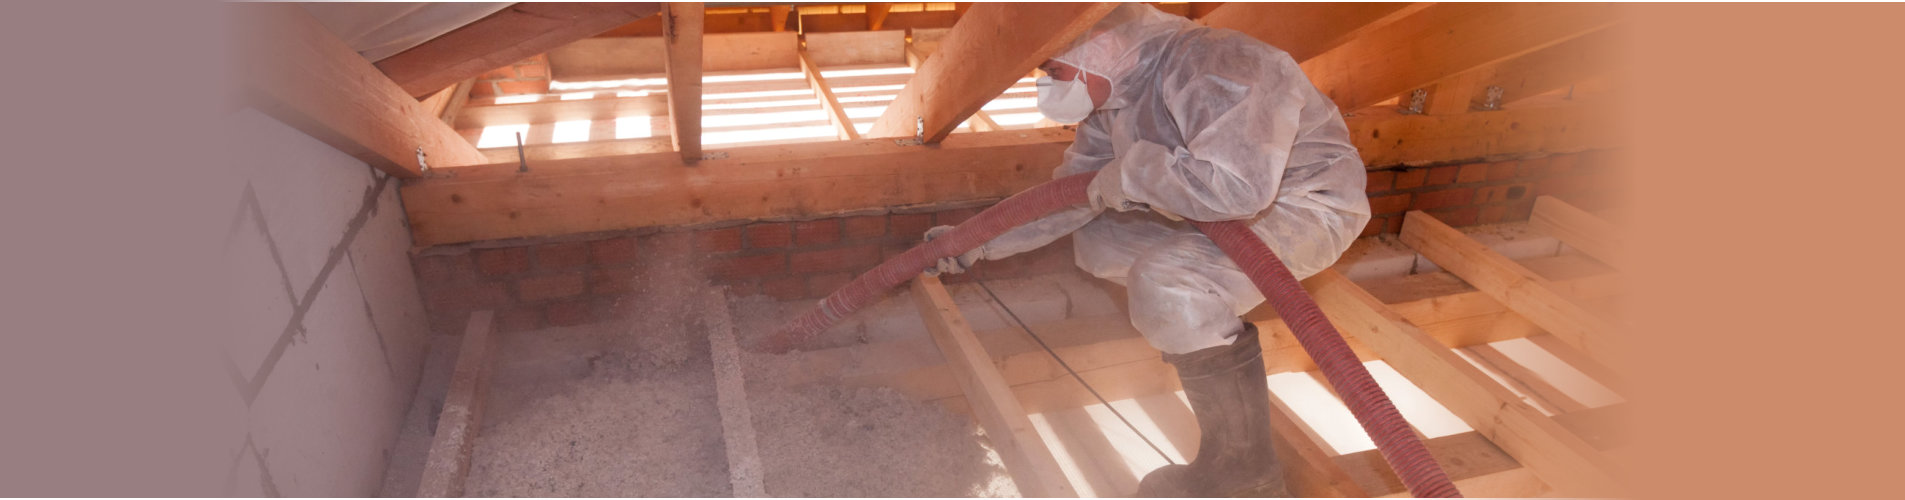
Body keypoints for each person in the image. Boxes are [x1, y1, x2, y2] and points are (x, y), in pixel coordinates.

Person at [923, 3, 1371, 497]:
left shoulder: (1217, 63)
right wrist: (976, 241)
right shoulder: (1117, 98)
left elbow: (1239, 190)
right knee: (1101, 240)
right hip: (1215, 212)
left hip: (1303, 206)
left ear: (1101, 44)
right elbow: (1072, 194)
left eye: (1053, 71)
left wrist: (1133, 175)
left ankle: (1246, 471)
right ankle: (1201, 325)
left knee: (1166, 284)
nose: (1047, 85)